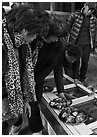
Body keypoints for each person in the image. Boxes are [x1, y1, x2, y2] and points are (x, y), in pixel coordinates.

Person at [28, 16, 82, 134]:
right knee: (30, 104)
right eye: (56, 37)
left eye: (59, 38)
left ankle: (37, 129)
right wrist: (29, 81)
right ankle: (34, 128)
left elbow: (57, 68)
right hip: (29, 75)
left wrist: (61, 91)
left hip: (39, 77)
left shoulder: (57, 45)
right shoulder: (34, 41)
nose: (57, 40)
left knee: (35, 102)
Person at [2, 5, 49, 135]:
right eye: (35, 34)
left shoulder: (22, 45)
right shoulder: (4, 44)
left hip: (11, 109)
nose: (35, 38)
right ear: (24, 30)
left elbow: (24, 75)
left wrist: (25, 99)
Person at [66, 2, 97, 85]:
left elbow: (93, 32)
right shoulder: (75, 15)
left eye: (92, 10)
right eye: (89, 9)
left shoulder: (93, 19)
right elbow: (67, 26)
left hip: (87, 44)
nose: (89, 12)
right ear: (85, 6)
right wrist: (69, 39)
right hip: (76, 42)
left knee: (85, 62)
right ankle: (73, 78)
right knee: (76, 60)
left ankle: (82, 79)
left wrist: (93, 43)